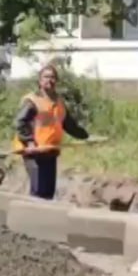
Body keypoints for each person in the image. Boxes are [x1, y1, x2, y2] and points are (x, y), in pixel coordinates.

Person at [13, 63, 89, 200]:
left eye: (53, 77)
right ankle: (31, 217)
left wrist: (85, 136)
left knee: (48, 192)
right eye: (46, 77)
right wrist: (29, 142)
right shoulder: (32, 101)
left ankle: (43, 219)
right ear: (40, 81)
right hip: (34, 152)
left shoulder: (59, 102)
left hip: (50, 151)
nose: (50, 80)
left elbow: (68, 124)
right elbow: (20, 122)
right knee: (38, 190)